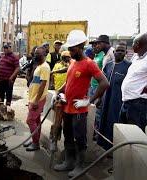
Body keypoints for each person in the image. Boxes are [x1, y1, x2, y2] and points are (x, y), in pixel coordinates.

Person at [53, 30, 109, 178]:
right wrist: (59, 92)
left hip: (79, 110)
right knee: (68, 135)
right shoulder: (73, 62)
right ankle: (69, 162)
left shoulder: (89, 64)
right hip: (67, 108)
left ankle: (79, 165)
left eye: (72, 49)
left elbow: (104, 83)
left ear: (80, 46)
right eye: (69, 49)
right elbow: (68, 82)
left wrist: (89, 100)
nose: (69, 52)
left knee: (80, 138)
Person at [97, 43, 131, 150]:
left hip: (118, 100)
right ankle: (102, 144)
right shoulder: (108, 65)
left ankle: (112, 147)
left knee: (114, 121)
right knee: (103, 119)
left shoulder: (129, 66)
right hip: (106, 98)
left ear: (126, 53)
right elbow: (102, 83)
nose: (119, 52)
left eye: (122, 51)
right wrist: (99, 98)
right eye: (118, 50)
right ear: (113, 52)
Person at [23, 46, 50, 151]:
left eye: (38, 54)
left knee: (30, 120)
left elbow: (43, 85)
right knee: (36, 121)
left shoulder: (45, 67)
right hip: (33, 98)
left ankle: (35, 143)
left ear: (44, 55)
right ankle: (35, 140)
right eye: (35, 54)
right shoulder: (39, 66)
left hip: (37, 100)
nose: (35, 56)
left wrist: (35, 101)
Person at [120, 32, 147, 131]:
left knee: (135, 135)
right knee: (125, 133)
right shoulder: (136, 57)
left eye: (134, 43)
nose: (132, 45)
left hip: (138, 104)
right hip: (127, 102)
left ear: (140, 44)